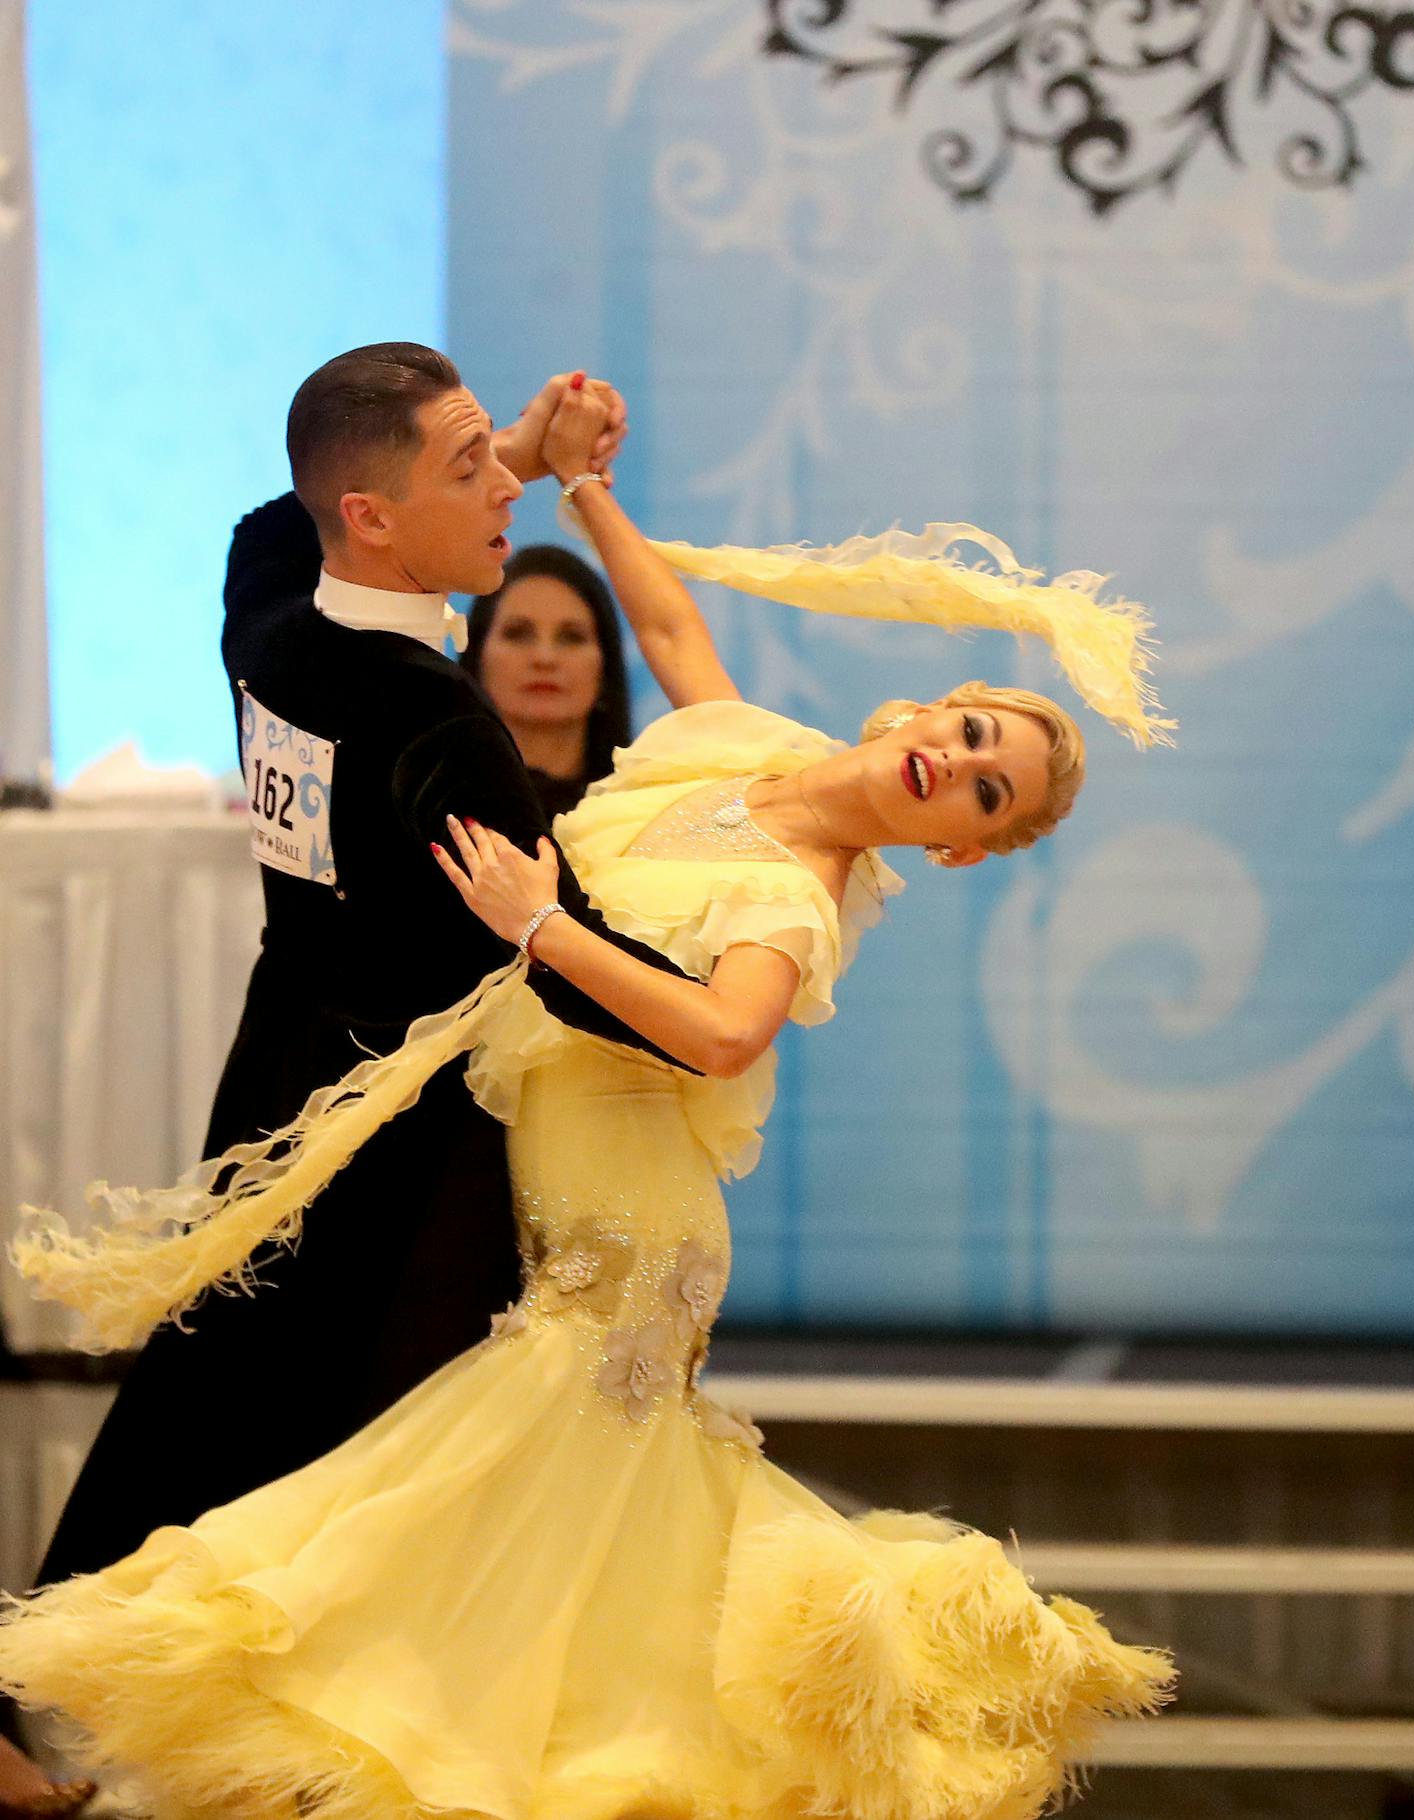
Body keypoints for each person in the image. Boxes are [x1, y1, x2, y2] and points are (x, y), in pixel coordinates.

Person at [0, 382, 1173, 1819]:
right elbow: (672, 630)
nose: (968, 767)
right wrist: (583, 491)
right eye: (981, 732)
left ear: (963, 848)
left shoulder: (806, 897)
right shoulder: (744, 743)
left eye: (990, 796)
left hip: (621, 1221)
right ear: (925, 705)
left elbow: (727, 1038)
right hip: (515, 1140)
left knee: (479, 1515)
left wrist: (541, 926)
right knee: (495, 1525)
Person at [15, 348, 705, 1725]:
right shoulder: (433, 716)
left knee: (200, 1391)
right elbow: (551, 952)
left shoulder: (269, 609)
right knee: (343, 1443)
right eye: (470, 469)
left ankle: (65, 1698)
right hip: (396, 1132)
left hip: (276, 1064)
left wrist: (513, 435)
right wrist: (715, 1016)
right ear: (375, 517)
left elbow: (276, 516)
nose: (503, 485)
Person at [462, 544, 633, 820]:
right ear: (477, 656)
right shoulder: (424, 805)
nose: (545, 658)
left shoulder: (645, 809)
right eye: (518, 634)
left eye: (571, 637)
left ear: (605, 666)